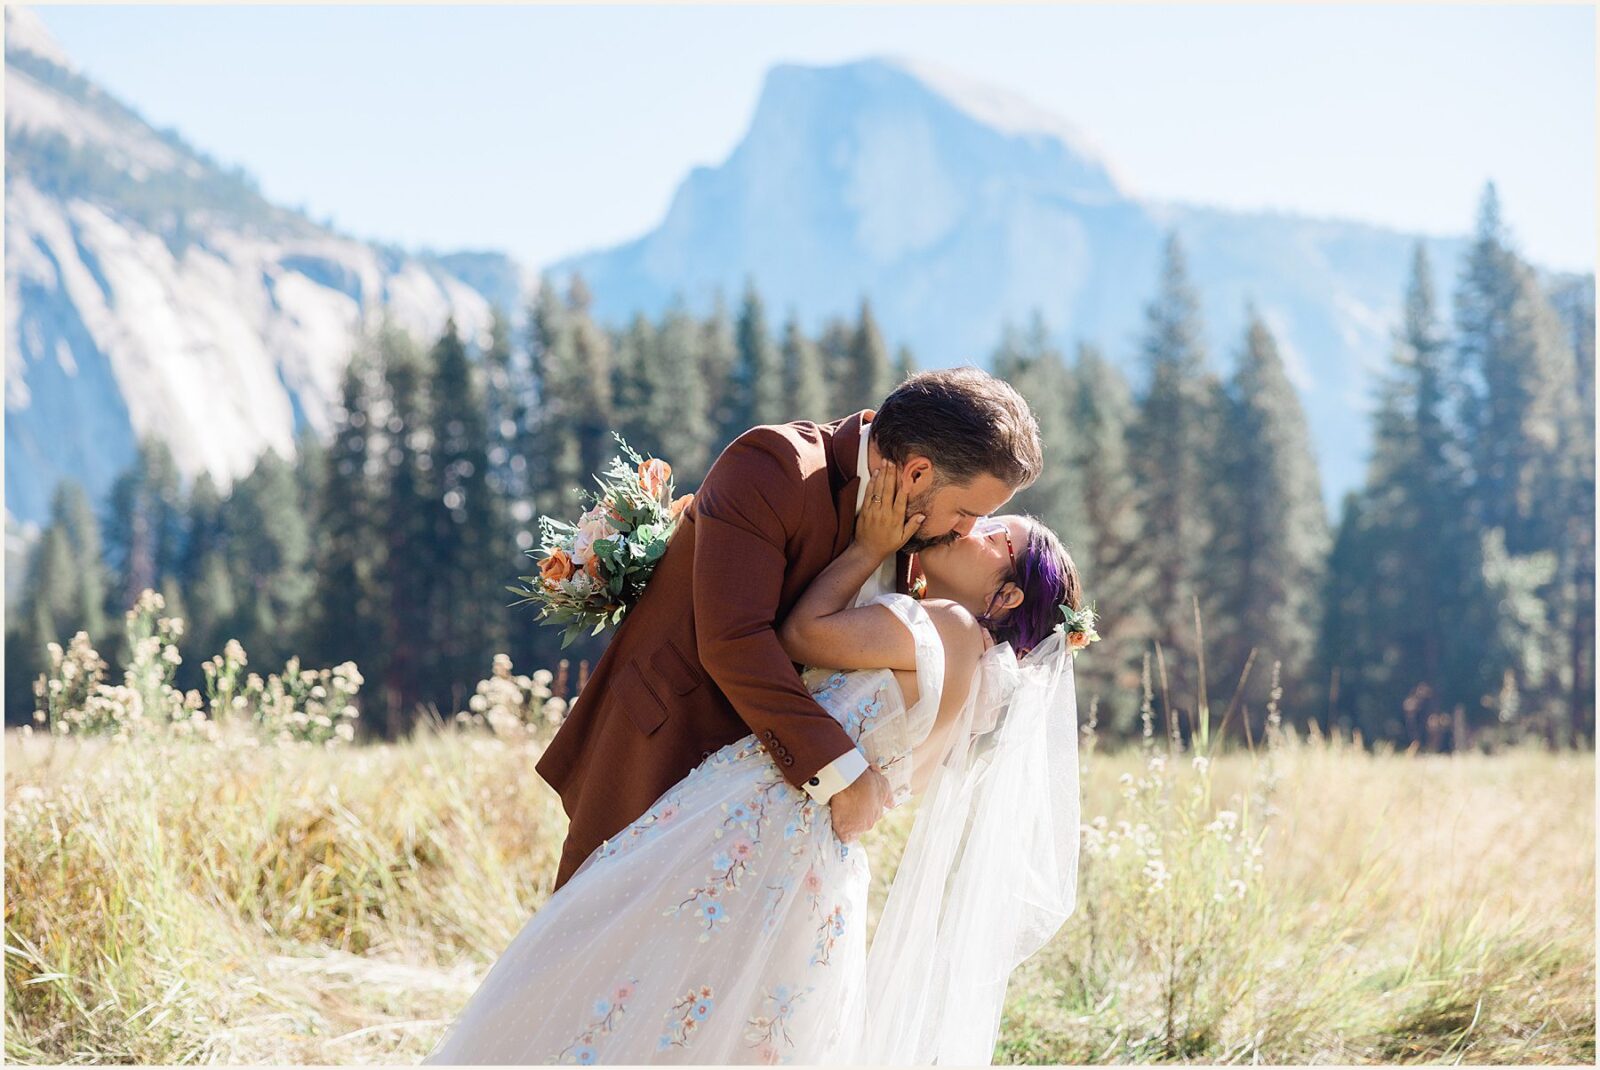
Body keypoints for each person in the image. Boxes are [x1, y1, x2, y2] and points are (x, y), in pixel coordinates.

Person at [421, 457, 1085, 1065]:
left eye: (998, 537)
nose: (976, 529)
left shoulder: (947, 627)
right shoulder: (975, 672)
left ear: (1010, 595)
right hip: (816, 858)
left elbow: (800, 633)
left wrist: (867, 548)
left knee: (614, 977)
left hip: (752, 825)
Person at [532, 367, 1045, 894]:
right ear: (916, 473)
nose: (967, 530)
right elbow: (735, 641)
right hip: (662, 750)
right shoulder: (775, 465)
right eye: (966, 512)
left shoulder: (915, 541)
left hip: (763, 819)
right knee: (591, 951)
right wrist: (841, 774)